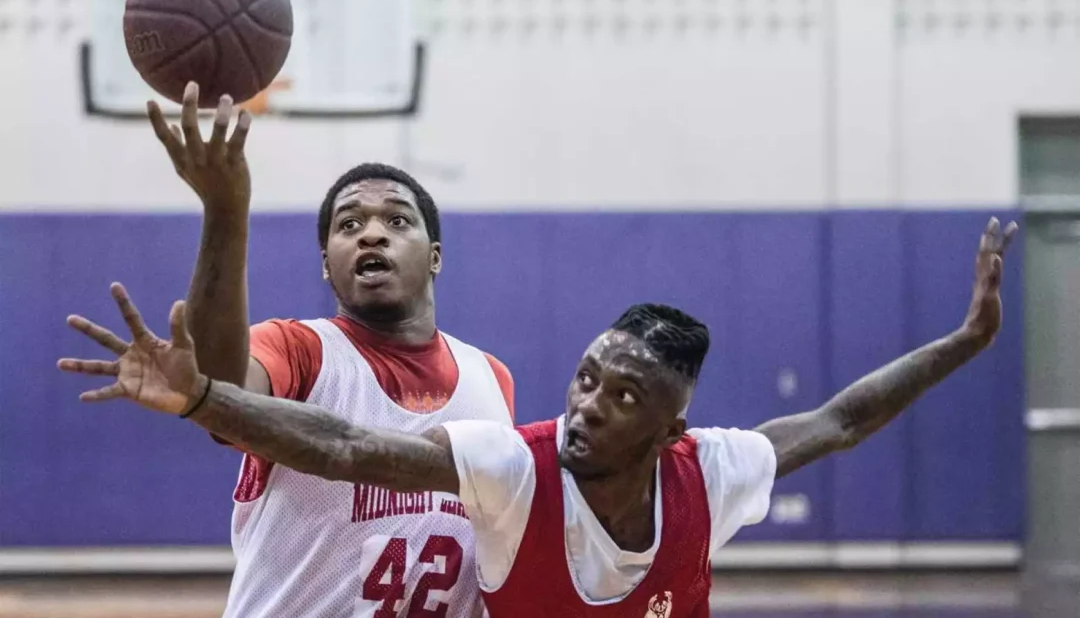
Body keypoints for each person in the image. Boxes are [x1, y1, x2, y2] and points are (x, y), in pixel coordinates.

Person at [59, 218, 1017, 618]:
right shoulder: (517, 469)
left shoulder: (713, 471)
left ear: (672, 426)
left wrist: (966, 339)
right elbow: (352, 446)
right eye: (588, 375)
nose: (588, 404)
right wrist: (201, 398)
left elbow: (843, 418)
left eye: (623, 394)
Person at [138, 82, 515, 617]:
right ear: (325, 263)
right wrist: (225, 209)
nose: (372, 235)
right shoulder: (300, 350)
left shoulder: (491, 378)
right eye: (350, 224)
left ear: (435, 257)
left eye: (397, 220)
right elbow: (217, 393)